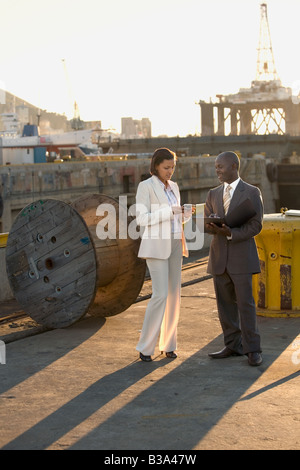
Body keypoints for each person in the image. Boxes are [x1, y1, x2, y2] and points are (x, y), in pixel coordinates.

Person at [204, 151, 263, 366]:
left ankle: (253, 349)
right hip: (219, 258)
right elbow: (208, 220)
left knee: (246, 305)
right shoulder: (212, 194)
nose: (217, 170)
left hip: (241, 259)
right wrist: (212, 227)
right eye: (216, 166)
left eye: (221, 166)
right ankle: (232, 345)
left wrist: (231, 233)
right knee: (225, 306)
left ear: (234, 166)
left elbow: (256, 225)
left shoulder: (252, 192)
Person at [135, 148, 192, 362]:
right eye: (166, 167)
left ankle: (169, 344)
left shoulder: (174, 187)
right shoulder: (145, 186)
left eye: (173, 167)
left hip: (176, 241)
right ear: (156, 166)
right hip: (157, 245)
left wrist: (184, 214)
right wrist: (170, 211)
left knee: (174, 295)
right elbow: (142, 219)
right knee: (160, 295)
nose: (170, 172)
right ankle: (145, 347)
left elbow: (176, 219)